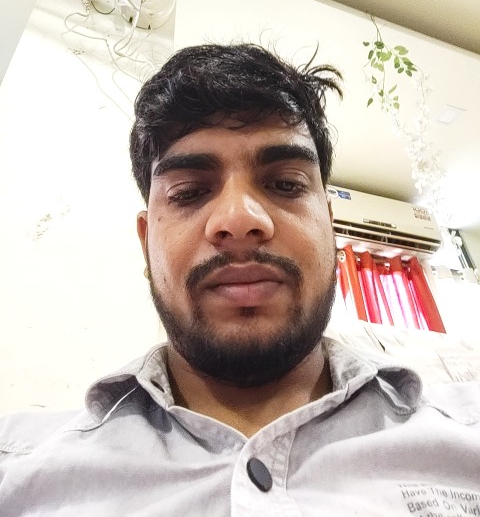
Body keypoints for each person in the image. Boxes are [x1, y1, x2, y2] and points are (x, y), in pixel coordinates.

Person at [1, 43, 479, 516]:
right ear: (147, 243)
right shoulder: (16, 472)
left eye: (286, 184)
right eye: (190, 192)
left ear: (331, 227)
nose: (238, 218)